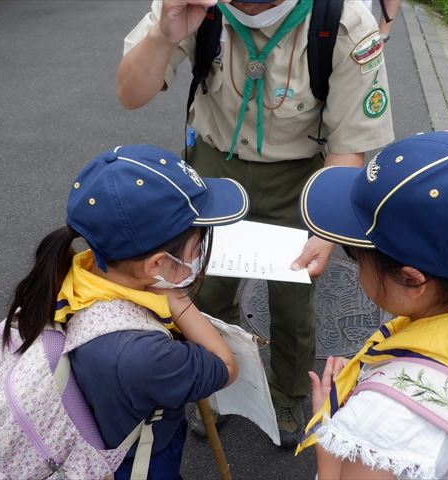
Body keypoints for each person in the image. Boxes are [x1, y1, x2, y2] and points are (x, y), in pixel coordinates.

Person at [117, 0, 394, 447]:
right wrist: (162, 36)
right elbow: (130, 94)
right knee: (203, 287)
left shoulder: (342, 20)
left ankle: (289, 393)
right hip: (213, 165)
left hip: (299, 174)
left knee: (291, 297)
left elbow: (349, 144)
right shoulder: (196, 7)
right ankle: (216, 384)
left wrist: (323, 230)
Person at [295, 130, 448, 478]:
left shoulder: (383, 423)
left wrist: (327, 428)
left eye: (355, 253)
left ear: (412, 280)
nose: (353, 264)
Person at [1, 144, 248, 479]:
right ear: (158, 263)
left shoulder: (77, 271)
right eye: (198, 244)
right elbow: (225, 366)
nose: (201, 252)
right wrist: (177, 301)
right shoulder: (145, 356)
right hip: (135, 462)